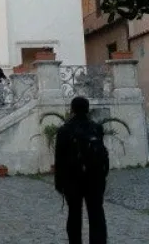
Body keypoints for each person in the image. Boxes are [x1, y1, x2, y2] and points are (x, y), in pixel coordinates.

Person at [55, 96, 109, 244]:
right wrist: (103, 175)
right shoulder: (96, 128)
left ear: (72, 109)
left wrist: (59, 183)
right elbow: (103, 154)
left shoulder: (64, 130)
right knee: (96, 213)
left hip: (72, 179)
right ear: (87, 109)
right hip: (95, 178)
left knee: (74, 214)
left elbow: (59, 159)